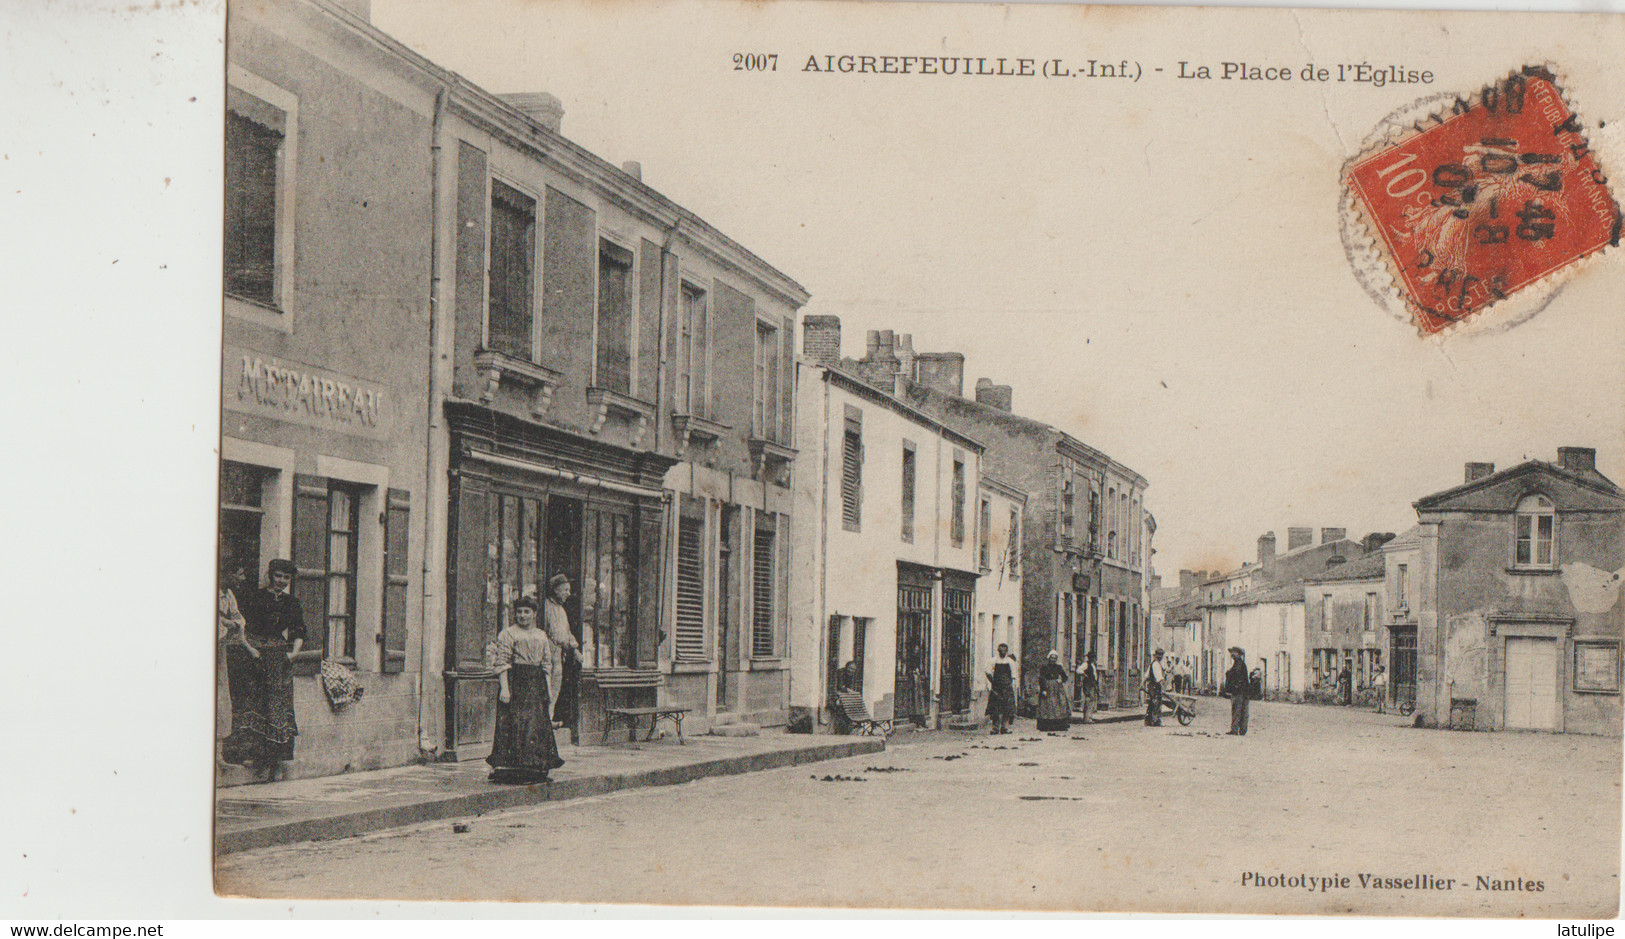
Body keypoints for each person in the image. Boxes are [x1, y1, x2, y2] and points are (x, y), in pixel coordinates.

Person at [221, 559, 306, 780]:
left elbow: (299, 632)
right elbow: (242, 627)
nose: (281, 581)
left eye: (286, 578)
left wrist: (293, 654)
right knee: (256, 703)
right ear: (270, 575)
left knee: (277, 707)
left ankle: (276, 762)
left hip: (279, 658)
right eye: (278, 576)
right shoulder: (254, 597)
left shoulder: (292, 603)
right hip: (255, 656)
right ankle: (256, 757)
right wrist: (250, 649)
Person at [488, 596, 566, 784]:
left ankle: (535, 769)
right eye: (519, 612)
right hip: (517, 682)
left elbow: (547, 664)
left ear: (534, 614)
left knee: (535, 726)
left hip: (536, 683)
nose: (522, 616)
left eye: (526, 612)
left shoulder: (541, 635)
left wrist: (548, 692)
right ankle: (514, 769)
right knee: (516, 724)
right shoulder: (508, 634)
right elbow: (502, 662)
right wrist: (504, 689)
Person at [542, 574, 583, 728]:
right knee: (547, 687)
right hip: (548, 652)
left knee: (555, 686)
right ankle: (545, 721)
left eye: (569, 590)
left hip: (558, 654)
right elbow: (550, 633)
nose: (567, 593)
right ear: (555, 590)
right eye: (564, 590)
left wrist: (575, 648)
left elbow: (567, 632)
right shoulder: (546, 606)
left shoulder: (561, 610)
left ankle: (549, 718)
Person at [985, 643, 1020, 734]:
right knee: (995, 708)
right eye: (1000, 650)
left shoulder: (1010, 662)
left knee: (1007, 708)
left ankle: (1004, 727)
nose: (1002, 652)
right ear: (998, 650)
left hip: (1007, 687)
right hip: (996, 687)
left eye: (1004, 650)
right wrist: (991, 683)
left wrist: (1013, 686)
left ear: (1007, 651)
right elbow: (988, 672)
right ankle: (995, 728)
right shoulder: (993, 661)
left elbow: (1013, 675)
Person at [1035, 650, 1071, 733]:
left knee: (1059, 705)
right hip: (1048, 687)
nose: (1053, 660)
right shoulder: (1044, 667)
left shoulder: (1059, 667)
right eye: (1052, 658)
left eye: (1055, 658)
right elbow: (1041, 679)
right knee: (1048, 705)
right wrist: (1043, 689)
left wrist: (1060, 680)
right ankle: (1046, 725)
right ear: (1049, 658)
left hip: (1057, 689)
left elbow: (1065, 677)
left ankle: (1058, 725)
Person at [1222, 646, 1250, 736]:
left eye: (1234, 652)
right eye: (1232, 652)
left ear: (1238, 654)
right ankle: (1242, 730)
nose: (1232, 654)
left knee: (1236, 710)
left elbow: (1238, 678)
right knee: (1243, 710)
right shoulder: (1239, 664)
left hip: (1239, 691)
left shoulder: (1238, 664)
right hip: (1244, 691)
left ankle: (1234, 729)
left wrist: (1234, 686)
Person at [1144, 648, 1167, 726]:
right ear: (1156, 655)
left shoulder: (1153, 663)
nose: (1160, 657)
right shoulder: (1156, 664)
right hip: (1155, 687)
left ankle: (1148, 721)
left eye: (1161, 655)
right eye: (1159, 655)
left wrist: (1141, 684)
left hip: (1152, 686)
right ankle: (1156, 721)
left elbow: (1146, 675)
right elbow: (1159, 678)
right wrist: (1163, 688)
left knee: (1152, 702)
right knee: (1156, 703)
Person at [1075, 651, 1099, 725]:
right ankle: (1086, 718)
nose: (1093, 659)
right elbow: (1078, 670)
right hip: (1088, 684)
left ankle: (1089, 717)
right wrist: (1084, 675)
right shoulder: (1086, 664)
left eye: (1093, 657)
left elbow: (1094, 675)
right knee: (1088, 700)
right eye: (1091, 657)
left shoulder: (1093, 665)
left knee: (1092, 700)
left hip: (1092, 684)